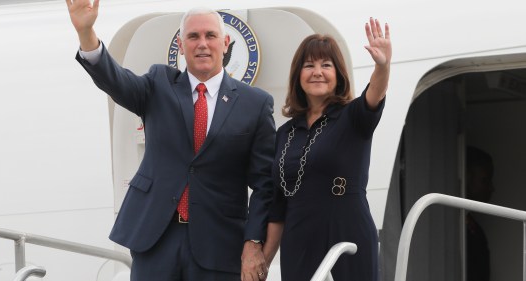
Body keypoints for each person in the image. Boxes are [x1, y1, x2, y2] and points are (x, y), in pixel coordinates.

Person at [65, 1, 276, 280]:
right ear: (180, 43)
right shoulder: (158, 83)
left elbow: (265, 184)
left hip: (218, 243)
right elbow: (115, 80)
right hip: (157, 237)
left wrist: (253, 242)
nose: (202, 43)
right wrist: (86, 35)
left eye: (210, 36)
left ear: (225, 43)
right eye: (193, 36)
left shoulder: (255, 104)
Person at [262, 18, 391, 281]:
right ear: (298, 76)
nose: (317, 72)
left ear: (338, 74)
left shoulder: (353, 117)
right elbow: (277, 209)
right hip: (299, 231)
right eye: (309, 65)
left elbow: (375, 93)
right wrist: (262, 263)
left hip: (348, 225)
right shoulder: (285, 134)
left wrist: (383, 65)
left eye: (326, 65)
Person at [465, 146, 494, 281]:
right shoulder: (446, 228)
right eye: (485, 180)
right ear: (466, 177)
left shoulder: (475, 230)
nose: (492, 188)